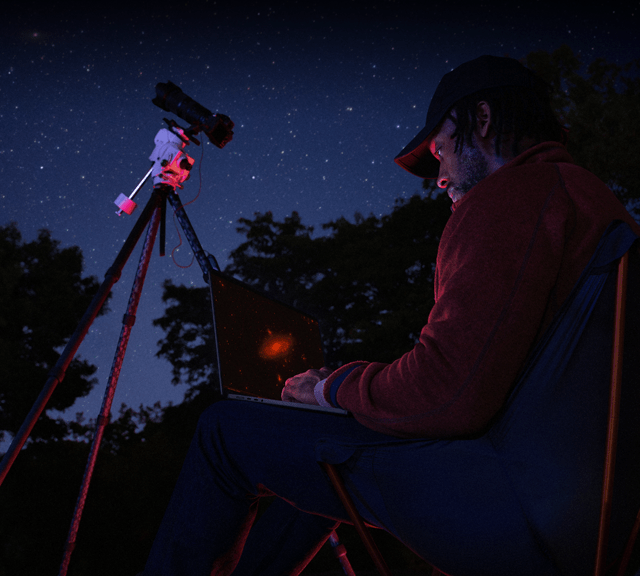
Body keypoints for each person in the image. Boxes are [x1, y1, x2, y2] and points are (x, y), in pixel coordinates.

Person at [141, 56, 640, 576]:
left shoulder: (510, 197)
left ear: (484, 121)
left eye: (442, 150)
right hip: (594, 518)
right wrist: (346, 402)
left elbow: (448, 392)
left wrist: (331, 389)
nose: (440, 178)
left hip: (516, 504)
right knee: (316, 448)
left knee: (225, 431)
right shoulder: (593, 200)